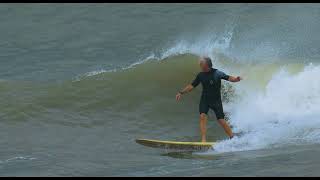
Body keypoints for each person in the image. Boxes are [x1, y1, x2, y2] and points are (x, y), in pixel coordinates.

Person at [176, 57, 242, 142]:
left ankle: (232, 137)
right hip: (205, 100)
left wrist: (236, 79)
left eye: (201, 64)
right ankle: (203, 140)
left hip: (216, 101)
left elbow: (228, 77)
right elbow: (191, 86)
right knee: (202, 116)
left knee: (221, 120)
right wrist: (181, 92)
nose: (199, 65)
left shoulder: (217, 73)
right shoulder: (200, 75)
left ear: (206, 65)